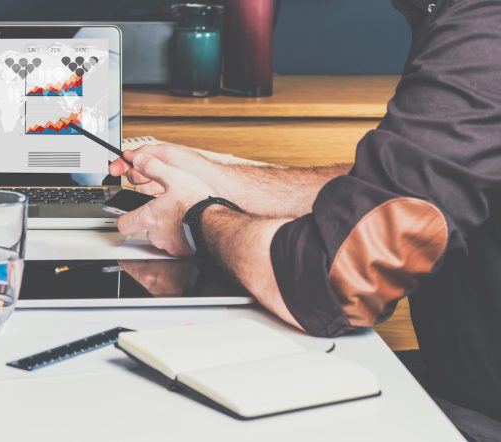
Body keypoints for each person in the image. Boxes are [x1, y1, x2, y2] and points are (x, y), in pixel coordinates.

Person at [109, 0, 500, 438]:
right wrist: (218, 177)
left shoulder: (484, 28)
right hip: (461, 381)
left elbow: (333, 281)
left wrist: (196, 217)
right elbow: (400, 184)